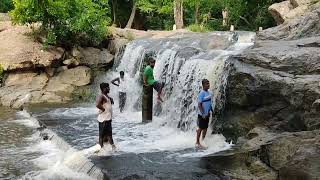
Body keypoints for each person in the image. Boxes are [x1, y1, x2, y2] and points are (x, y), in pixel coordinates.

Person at [96, 82, 116, 150]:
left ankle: (113, 148)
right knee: (102, 135)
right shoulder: (101, 96)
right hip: (103, 119)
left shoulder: (106, 96)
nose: (109, 88)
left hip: (108, 119)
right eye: (108, 87)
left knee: (109, 135)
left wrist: (110, 99)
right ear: (104, 89)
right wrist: (103, 109)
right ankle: (100, 150)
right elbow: (97, 104)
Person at [196, 79, 212, 149]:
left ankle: (203, 140)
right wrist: (203, 114)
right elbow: (199, 105)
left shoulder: (208, 92)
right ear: (203, 85)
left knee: (205, 128)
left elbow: (209, 102)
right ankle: (197, 142)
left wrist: (211, 110)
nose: (208, 85)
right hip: (202, 115)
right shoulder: (201, 93)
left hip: (207, 114)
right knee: (200, 128)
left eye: (208, 83)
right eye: (207, 84)